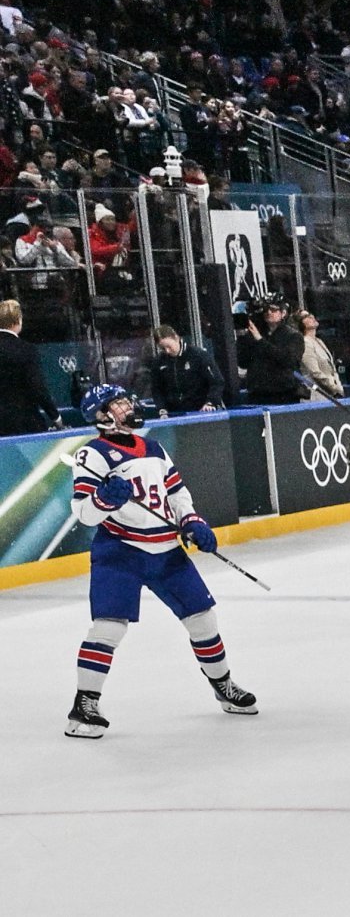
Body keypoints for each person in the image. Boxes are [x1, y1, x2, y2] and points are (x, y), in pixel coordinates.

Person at [63, 385, 256, 738]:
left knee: (203, 620)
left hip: (165, 547)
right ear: (102, 416)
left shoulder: (152, 447)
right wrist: (105, 499)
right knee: (109, 627)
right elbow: (83, 513)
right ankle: (84, 705)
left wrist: (192, 520)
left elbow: (176, 491)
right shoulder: (91, 455)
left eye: (126, 400)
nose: (127, 407)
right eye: (118, 404)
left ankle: (223, 685)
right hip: (120, 550)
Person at [0, 299, 63, 435]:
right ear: (17, 320)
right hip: (24, 425)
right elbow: (37, 387)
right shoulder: (26, 350)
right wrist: (56, 417)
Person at [238, 292, 306, 406]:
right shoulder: (256, 333)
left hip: (283, 393)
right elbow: (243, 361)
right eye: (266, 310)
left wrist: (261, 341)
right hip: (258, 392)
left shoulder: (293, 336)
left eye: (273, 310)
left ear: (283, 313)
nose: (269, 313)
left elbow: (289, 360)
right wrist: (242, 337)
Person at [148, 325, 225, 415]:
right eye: (163, 348)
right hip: (176, 412)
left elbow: (217, 381)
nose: (167, 351)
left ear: (176, 338)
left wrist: (211, 402)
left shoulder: (198, 355)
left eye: (169, 346)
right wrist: (161, 408)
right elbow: (157, 389)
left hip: (201, 410)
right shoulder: (159, 362)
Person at [293, 311, 342, 399]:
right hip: (317, 395)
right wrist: (335, 389)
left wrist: (339, 387)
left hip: (332, 394)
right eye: (306, 316)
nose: (311, 316)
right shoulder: (305, 342)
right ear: (300, 323)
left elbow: (332, 369)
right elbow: (315, 372)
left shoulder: (319, 341)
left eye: (311, 314)